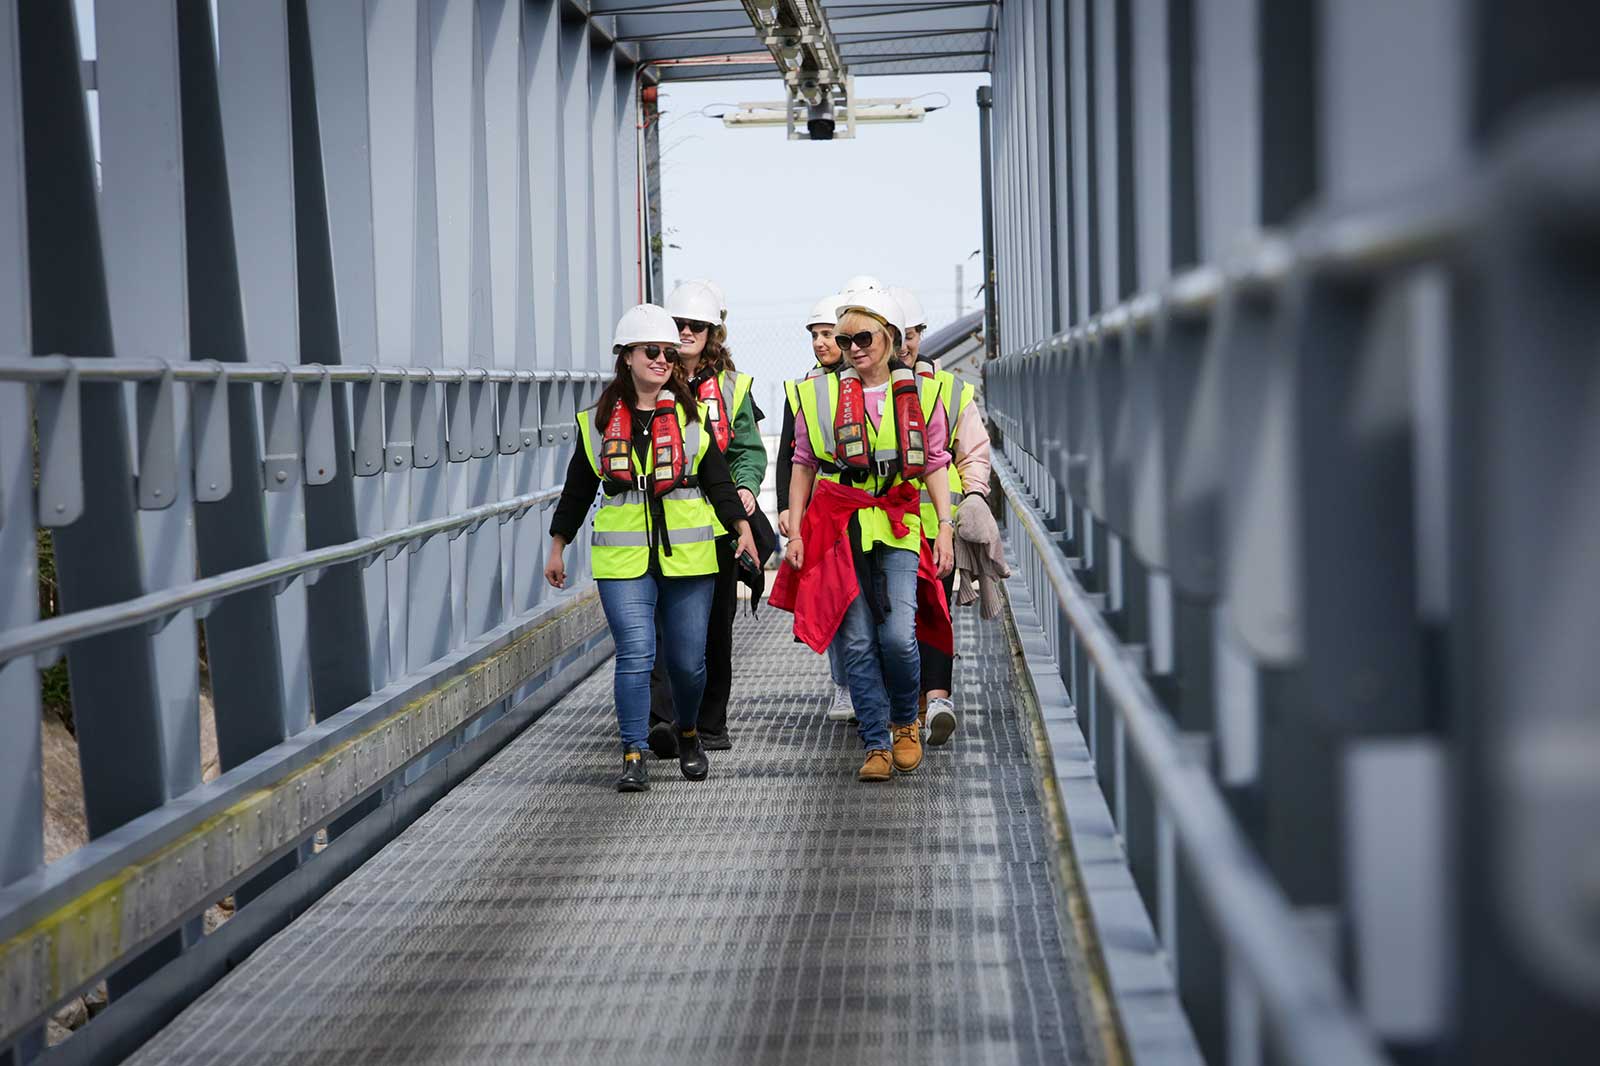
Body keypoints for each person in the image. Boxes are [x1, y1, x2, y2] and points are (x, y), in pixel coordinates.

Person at [545, 303, 757, 792]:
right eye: (651, 351)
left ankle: (687, 731)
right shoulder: (595, 424)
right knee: (636, 654)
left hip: (690, 556)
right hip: (622, 559)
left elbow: (718, 481)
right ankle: (634, 751)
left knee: (687, 662)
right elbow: (578, 489)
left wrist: (741, 527)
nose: (662, 359)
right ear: (626, 357)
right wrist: (558, 545)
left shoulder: (694, 419)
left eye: (667, 352)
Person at [779, 289, 956, 782]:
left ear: (892, 339)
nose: (853, 348)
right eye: (845, 339)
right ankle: (876, 743)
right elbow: (803, 463)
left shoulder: (922, 394)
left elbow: (936, 462)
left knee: (898, 637)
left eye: (864, 337)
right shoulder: (818, 395)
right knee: (855, 642)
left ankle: (906, 722)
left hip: (898, 522)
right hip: (838, 526)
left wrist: (944, 527)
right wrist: (794, 528)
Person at [644, 281, 767, 756]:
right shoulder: (647, 378)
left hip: (714, 526)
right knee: (659, 623)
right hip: (658, 524)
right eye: (679, 326)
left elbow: (748, 451)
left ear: (713, 332)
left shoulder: (735, 389)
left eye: (697, 326)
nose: (687, 332)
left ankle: (710, 724)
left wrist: (744, 489)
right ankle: (662, 720)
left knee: (717, 625)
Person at [890, 286, 993, 747]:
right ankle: (909, 706)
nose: (903, 346)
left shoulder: (948, 390)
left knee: (934, 613)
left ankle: (937, 700)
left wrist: (972, 495)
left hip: (935, 526)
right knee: (896, 620)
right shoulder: (862, 391)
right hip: (885, 527)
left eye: (909, 335)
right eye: (895, 336)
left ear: (920, 335)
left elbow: (973, 450)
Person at [778, 294, 855, 722]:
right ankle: (842, 684)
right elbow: (791, 453)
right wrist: (785, 509)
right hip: (821, 508)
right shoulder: (805, 387)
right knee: (832, 596)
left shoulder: (867, 381)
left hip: (860, 504)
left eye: (827, 334)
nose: (820, 343)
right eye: (814, 335)